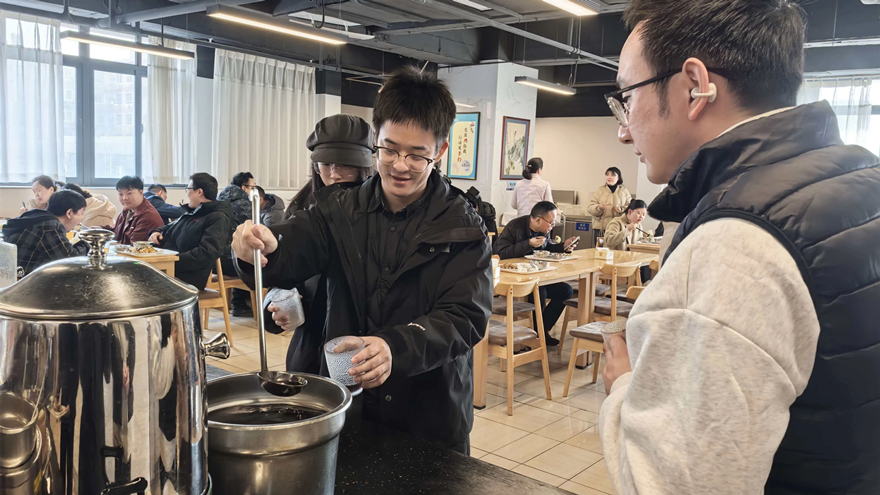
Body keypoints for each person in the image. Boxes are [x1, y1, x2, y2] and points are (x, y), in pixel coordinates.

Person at [598, 1, 880, 495]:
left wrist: (623, 387)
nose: (623, 130)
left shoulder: (733, 246)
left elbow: (670, 487)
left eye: (627, 97)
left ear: (695, 86)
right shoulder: (859, 180)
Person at [231, 67, 492, 454]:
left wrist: (395, 347)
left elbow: (465, 317)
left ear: (439, 151)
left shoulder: (463, 226)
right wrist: (261, 248)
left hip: (429, 415)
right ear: (375, 141)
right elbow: (292, 249)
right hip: (349, 408)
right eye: (390, 149)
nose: (399, 165)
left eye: (417, 155)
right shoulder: (339, 209)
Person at [267, 114, 376, 374]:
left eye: (345, 164)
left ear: (365, 166)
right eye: (326, 164)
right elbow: (283, 276)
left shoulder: (378, 212)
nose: (334, 173)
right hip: (310, 343)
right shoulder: (303, 207)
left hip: (362, 344)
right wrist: (277, 302)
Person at [494, 201, 578, 345]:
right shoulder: (514, 226)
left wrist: (563, 247)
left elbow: (547, 247)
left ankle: (540, 331)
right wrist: (528, 244)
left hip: (537, 275)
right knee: (539, 291)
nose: (553, 226)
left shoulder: (544, 230)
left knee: (566, 291)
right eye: (551, 223)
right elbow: (500, 253)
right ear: (538, 220)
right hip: (517, 277)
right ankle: (538, 333)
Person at [148, 173, 234, 291]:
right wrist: (157, 231)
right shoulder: (192, 212)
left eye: (188, 189)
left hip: (186, 278)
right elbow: (171, 226)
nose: (187, 193)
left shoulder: (217, 217)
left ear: (199, 192)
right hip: (169, 269)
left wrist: (172, 260)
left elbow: (206, 253)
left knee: (140, 284)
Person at [3, 190, 90, 276]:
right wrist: (88, 241)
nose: (81, 219)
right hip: (27, 282)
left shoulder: (34, 216)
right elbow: (70, 261)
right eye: (81, 213)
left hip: (12, 280)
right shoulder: (50, 226)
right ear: (69, 213)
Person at [218, 172, 257, 315]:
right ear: (244, 187)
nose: (253, 190)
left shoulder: (219, 200)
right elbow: (255, 227)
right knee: (255, 260)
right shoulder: (243, 203)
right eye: (253, 187)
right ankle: (240, 303)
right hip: (231, 259)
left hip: (216, 260)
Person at [108, 176, 164, 245]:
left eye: (129, 193)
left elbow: (134, 246)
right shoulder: (127, 210)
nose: (124, 198)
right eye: (121, 194)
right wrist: (100, 229)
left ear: (141, 192)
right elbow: (117, 231)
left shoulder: (148, 216)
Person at [587, 167, 631, 232]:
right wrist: (599, 208)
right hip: (601, 228)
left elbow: (630, 208)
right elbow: (590, 208)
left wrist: (622, 209)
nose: (609, 177)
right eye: (607, 175)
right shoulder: (600, 190)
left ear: (618, 178)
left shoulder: (624, 191)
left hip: (619, 228)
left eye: (613, 175)